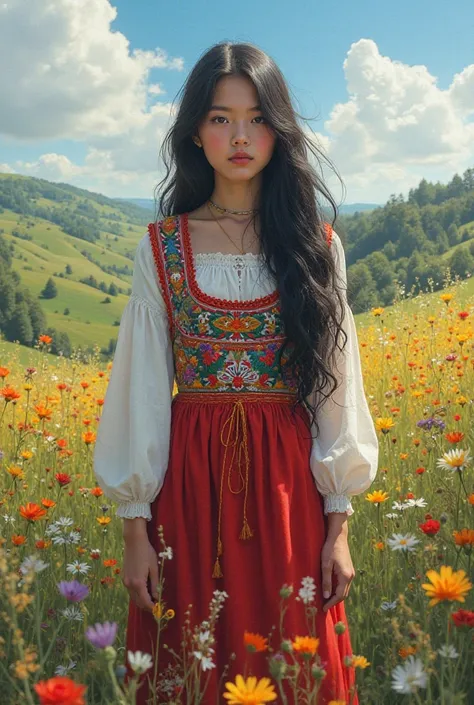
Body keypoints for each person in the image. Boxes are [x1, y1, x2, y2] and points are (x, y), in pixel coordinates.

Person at [94, 40, 378, 705]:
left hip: (287, 492)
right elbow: (140, 391)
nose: (240, 136)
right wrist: (135, 530)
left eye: (256, 118)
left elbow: (337, 387)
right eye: (221, 118)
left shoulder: (316, 246)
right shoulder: (161, 248)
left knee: (288, 658)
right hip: (189, 488)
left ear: (279, 130)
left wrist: (339, 527)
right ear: (196, 131)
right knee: (191, 660)